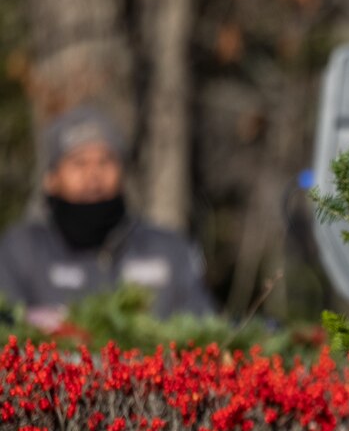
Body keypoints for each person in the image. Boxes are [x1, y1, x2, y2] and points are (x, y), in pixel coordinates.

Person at [0, 105, 214, 329]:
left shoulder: (169, 250)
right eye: (79, 163)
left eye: (106, 161)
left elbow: (204, 330)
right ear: (51, 178)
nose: (94, 175)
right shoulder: (22, 252)